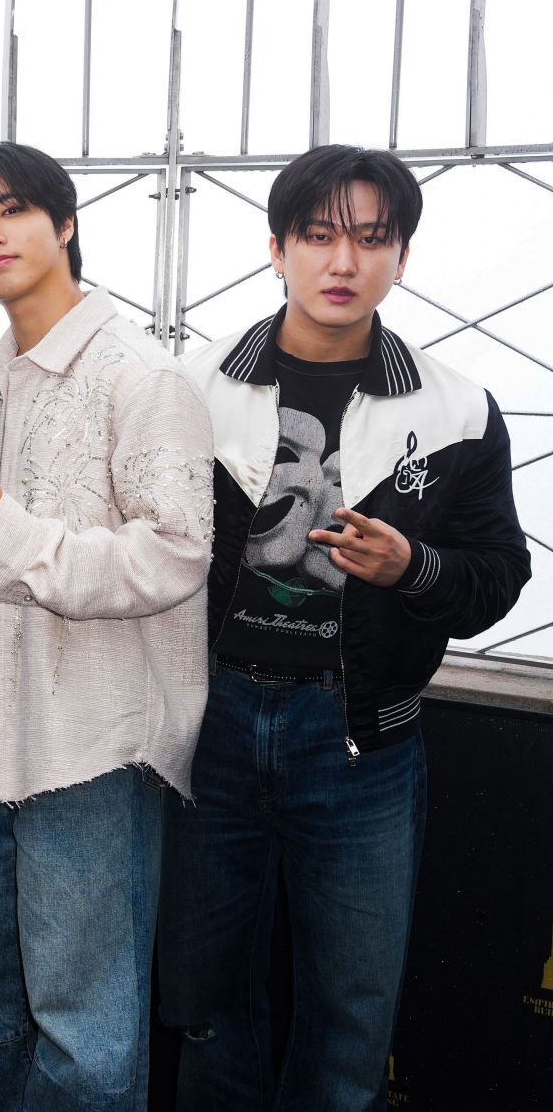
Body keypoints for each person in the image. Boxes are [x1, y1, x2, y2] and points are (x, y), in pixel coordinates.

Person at [160, 144, 530, 1111]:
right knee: (204, 1001)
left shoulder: (454, 408)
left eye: (371, 238)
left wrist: (416, 567)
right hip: (209, 727)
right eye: (319, 236)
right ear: (276, 247)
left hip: (362, 739)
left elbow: (500, 576)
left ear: (400, 257)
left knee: (352, 1015)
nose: (343, 261)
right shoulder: (190, 388)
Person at [0, 143, 211, 1108]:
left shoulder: (140, 374)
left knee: (83, 1017)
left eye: (10, 210)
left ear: (67, 222)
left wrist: (16, 543)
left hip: (94, 725)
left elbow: (175, 553)